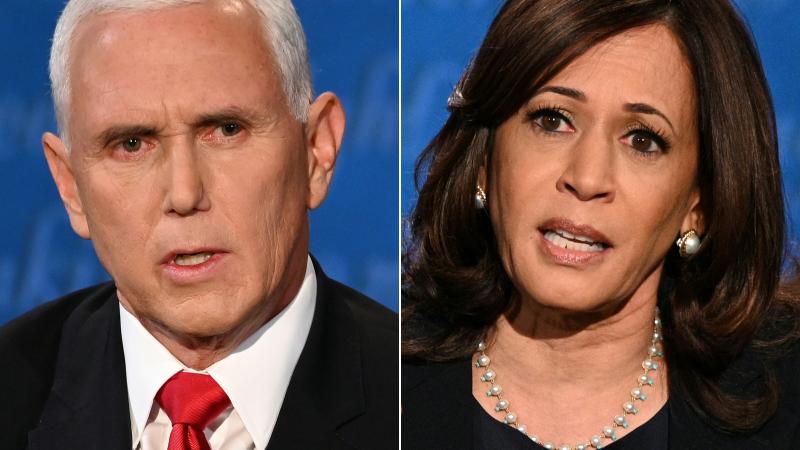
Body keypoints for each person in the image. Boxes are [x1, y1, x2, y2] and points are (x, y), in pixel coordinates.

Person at [402, 0, 800, 449]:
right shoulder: (380, 384)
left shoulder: (787, 408)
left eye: (642, 140)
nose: (587, 179)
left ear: (699, 203)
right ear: (484, 161)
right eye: (552, 120)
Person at [0, 0, 397, 449]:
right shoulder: (10, 392)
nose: (185, 194)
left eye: (227, 130)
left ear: (315, 151)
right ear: (70, 185)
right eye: (131, 144)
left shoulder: (414, 400)